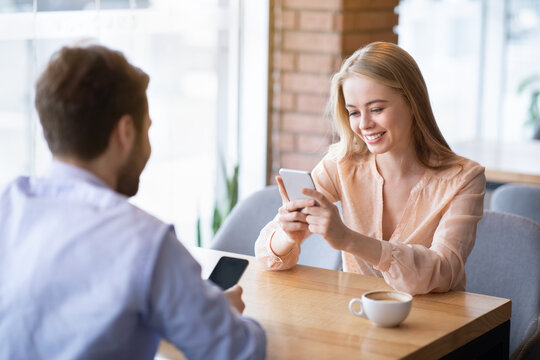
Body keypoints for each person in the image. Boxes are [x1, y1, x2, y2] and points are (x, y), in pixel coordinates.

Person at [0, 44, 266, 359]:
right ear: (126, 132)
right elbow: (239, 352)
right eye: (148, 129)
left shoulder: (8, 206)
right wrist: (228, 318)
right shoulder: (147, 244)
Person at [255, 42, 486, 296]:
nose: (364, 124)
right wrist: (289, 235)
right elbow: (266, 255)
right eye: (353, 112)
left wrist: (348, 239)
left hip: (438, 324)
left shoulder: (464, 178)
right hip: (359, 320)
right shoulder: (342, 163)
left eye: (376, 109)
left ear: (412, 102)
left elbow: (443, 272)